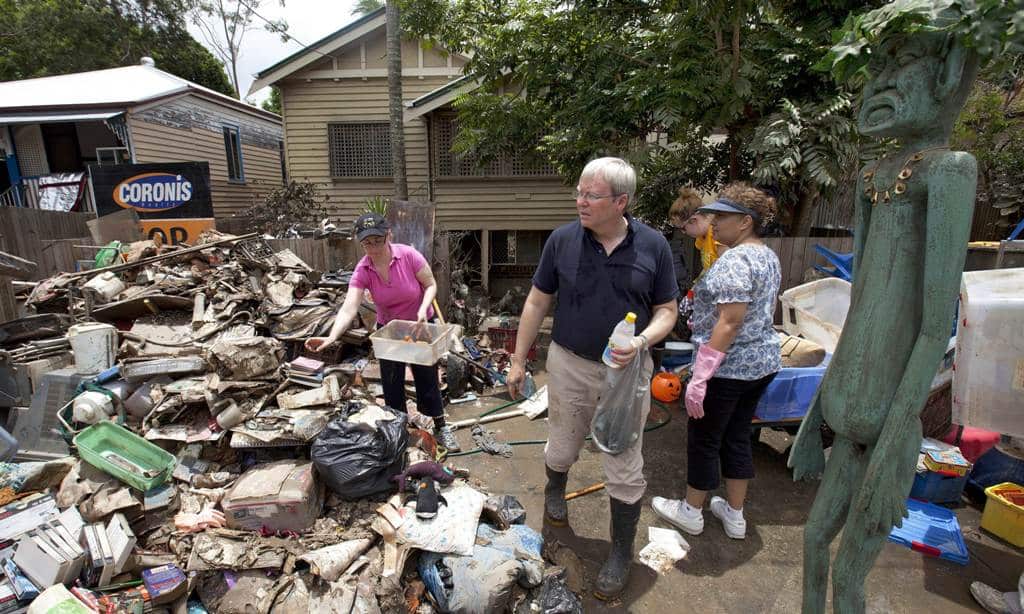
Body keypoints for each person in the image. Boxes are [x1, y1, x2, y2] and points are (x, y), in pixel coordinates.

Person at [506, 157, 678, 600]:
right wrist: (519, 360)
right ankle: (555, 487)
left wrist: (641, 343)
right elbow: (536, 302)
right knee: (562, 446)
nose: (579, 201)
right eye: (579, 192)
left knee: (623, 462)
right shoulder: (563, 241)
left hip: (628, 373)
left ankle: (621, 552)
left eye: (590, 195)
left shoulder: (653, 246)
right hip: (569, 363)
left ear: (620, 202)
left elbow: (667, 311)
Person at [651, 182, 781, 540]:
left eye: (722, 216)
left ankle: (692, 510)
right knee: (737, 435)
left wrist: (702, 375)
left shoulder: (735, 260)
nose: (714, 222)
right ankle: (734, 515)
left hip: (728, 368)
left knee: (705, 438)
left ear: (744, 222)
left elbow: (730, 321)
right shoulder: (767, 255)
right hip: (761, 363)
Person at [305, 212, 460, 451]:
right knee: (391, 383)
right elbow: (349, 306)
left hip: (419, 325)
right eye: (367, 242)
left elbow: (430, 284)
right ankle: (398, 429)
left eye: (377, 240)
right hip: (389, 330)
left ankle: (441, 427)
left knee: (426, 377)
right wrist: (332, 336)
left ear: (389, 235)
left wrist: (422, 308)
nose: (373, 247)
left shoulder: (408, 256)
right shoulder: (363, 269)